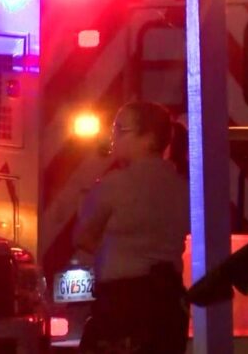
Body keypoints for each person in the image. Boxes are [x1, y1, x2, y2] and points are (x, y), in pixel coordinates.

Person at [74, 101, 190, 354]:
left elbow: (83, 236)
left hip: (121, 306)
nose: (112, 136)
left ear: (147, 138)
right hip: (169, 306)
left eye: (120, 129)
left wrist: (115, 251)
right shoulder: (183, 188)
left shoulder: (114, 185)